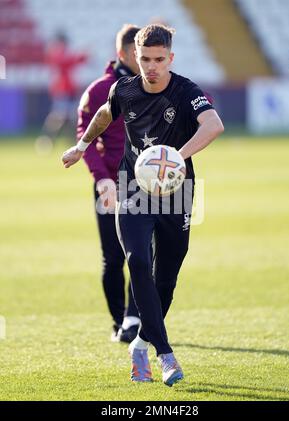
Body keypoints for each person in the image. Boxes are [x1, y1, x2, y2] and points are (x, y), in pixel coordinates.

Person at [62, 24, 224, 386]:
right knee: (136, 259)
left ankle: (141, 343)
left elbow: (213, 125)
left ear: (171, 58)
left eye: (159, 59)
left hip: (177, 190)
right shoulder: (125, 89)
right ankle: (165, 355)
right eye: (145, 59)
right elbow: (105, 112)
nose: (152, 67)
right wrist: (82, 146)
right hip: (133, 186)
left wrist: (173, 159)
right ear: (135, 56)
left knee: (166, 276)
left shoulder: (186, 91)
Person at [77, 24, 141, 343]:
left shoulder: (159, 86)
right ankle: (119, 322)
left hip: (146, 187)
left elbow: (201, 99)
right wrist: (103, 179)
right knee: (114, 258)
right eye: (135, 54)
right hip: (110, 186)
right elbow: (83, 139)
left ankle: (134, 318)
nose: (142, 60)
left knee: (141, 256)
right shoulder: (100, 90)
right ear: (122, 54)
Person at [36, 32, 88, 152]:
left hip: (69, 90)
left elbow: (77, 61)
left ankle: (67, 140)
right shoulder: (56, 54)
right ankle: (47, 139)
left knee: (69, 117)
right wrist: (81, 55)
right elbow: (69, 61)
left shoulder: (61, 53)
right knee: (58, 117)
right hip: (62, 90)